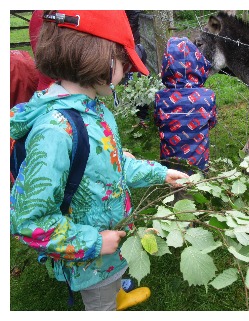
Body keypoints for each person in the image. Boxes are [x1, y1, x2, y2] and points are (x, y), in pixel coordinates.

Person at [10, 10, 190, 311]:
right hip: (90, 261)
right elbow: (29, 222)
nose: (129, 70)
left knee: (115, 278)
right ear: (101, 58)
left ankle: (118, 290)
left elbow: (115, 165)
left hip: (111, 239)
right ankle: (108, 301)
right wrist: (92, 243)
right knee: (101, 304)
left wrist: (160, 173)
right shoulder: (54, 133)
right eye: (124, 61)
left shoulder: (95, 110)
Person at [154, 37, 217, 174]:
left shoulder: (160, 97)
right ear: (198, 64)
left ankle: (176, 193)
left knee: (175, 186)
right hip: (199, 162)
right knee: (198, 189)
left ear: (166, 66)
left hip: (170, 163)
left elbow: (157, 122)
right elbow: (212, 123)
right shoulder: (208, 96)